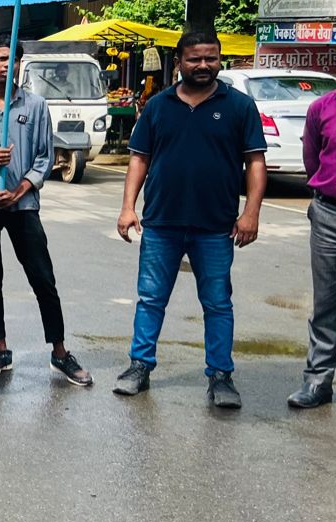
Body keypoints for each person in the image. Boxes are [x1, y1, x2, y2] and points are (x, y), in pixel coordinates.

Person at [114, 32, 265, 408]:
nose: (203, 65)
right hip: (161, 223)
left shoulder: (239, 106)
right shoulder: (158, 106)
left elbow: (255, 162)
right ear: (179, 61)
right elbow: (139, 158)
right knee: (151, 299)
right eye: (195, 59)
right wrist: (128, 206)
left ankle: (221, 376)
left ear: (219, 59)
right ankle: (139, 366)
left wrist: (251, 213)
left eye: (211, 58)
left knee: (217, 303)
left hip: (216, 226)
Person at [0, 37, 91, 387]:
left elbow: (45, 157)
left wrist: (19, 191)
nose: (8, 65)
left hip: (23, 203)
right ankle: (0, 350)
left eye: (14, 59)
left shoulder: (35, 105)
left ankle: (60, 352)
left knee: (43, 277)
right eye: (2, 58)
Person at [292, 27, 336, 409]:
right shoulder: (322, 108)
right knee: (326, 306)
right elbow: (312, 159)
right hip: (331, 218)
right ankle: (318, 383)